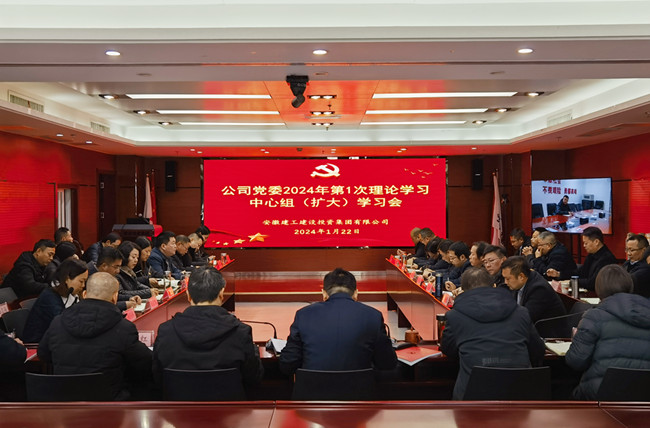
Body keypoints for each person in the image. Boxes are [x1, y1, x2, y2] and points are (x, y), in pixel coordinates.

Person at [38, 272, 153, 400]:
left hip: (64, 401)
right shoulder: (124, 328)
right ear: (114, 298)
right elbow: (145, 362)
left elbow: (43, 354)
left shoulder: (58, 322)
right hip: (110, 403)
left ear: (84, 294)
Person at [440, 268, 545, 400]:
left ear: (464, 290)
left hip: (473, 396)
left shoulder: (455, 316)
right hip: (521, 393)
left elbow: (448, 350)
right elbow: (537, 350)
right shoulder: (521, 312)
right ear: (494, 286)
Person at [153, 266, 263, 387]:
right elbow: (253, 378)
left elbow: (157, 377)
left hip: (177, 399)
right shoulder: (240, 332)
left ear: (188, 295)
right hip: (228, 399)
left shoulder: (166, 331)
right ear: (221, 294)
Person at [279, 268, 397, 375]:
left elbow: (287, 363)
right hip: (359, 390)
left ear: (324, 293)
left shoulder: (304, 315)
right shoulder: (373, 316)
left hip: (313, 390)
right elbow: (387, 363)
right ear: (356, 293)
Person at [565, 265, 650, 400]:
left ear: (599, 289)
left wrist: (577, 340)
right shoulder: (646, 311)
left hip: (599, 394)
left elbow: (576, 361)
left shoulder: (594, 316)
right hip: (644, 394)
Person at [22, 258, 88, 343]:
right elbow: (64, 325)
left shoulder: (71, 295)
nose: (83, 285)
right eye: (81, 281)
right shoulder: (49, 297)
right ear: (67, 279)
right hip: (38, 344)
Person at [501, 256, 566, 329]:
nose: (505, 282)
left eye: (508, 279)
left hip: (548, 333)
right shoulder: (519, 283)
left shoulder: (539, 289)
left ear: (521, 276)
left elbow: (524, 318)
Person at [574, 227, 617, 291]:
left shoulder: (607, 259)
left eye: (586, 243)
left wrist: (572, 282)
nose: (584, 246)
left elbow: (593, 282)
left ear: (596, 242)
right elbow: (581, 272)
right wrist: (561, 275)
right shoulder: (591, 255)